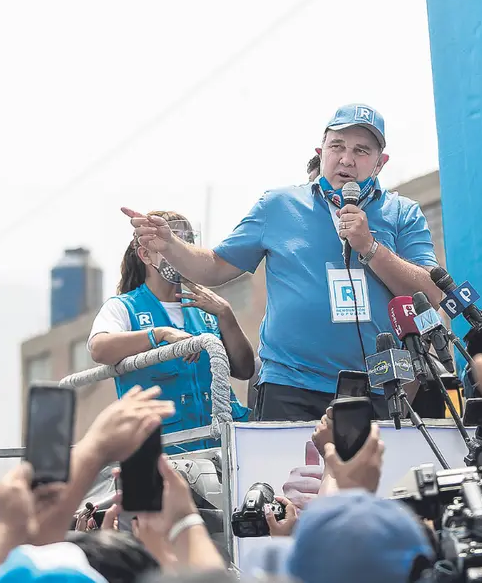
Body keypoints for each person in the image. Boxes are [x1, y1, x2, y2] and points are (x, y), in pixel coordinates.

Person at [125, 104, 443, 421]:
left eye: (361, 150)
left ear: (380, 163)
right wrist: (169, 245)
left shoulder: (403, 213)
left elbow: (432, 294)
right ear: (321, 151)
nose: (347, 159)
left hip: (378, 388)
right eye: (337, 146)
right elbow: (213, 267)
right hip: (292, 386)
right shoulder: (278, 205)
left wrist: (371, 247)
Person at [89, 211, 253, 451]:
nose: (180, 251)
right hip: (164, 454)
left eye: (186, 243)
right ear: (145, 254)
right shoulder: (124, 308)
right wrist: (159, 335)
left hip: (220, 450)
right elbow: (99, 348)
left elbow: (244, 369)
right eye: (171, 243)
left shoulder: (207, 305)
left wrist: (225, 314)